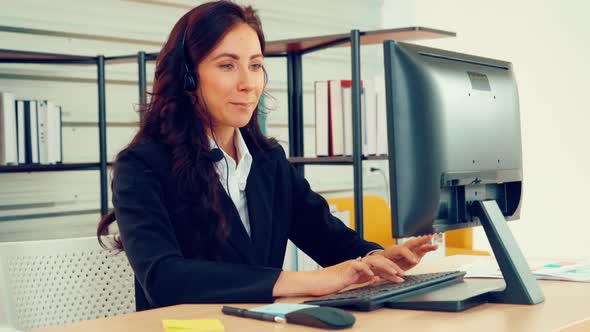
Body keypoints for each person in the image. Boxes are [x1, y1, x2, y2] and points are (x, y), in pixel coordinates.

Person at [97, 0, 438, 312]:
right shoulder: (141, 167)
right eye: (228, 65)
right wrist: (306, 282)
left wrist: (377, 257)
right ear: (188, 77)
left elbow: (328, 237)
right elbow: (164, 279)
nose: (248, 83)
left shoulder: (267, 160)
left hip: (258, 324)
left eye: (256, 65)